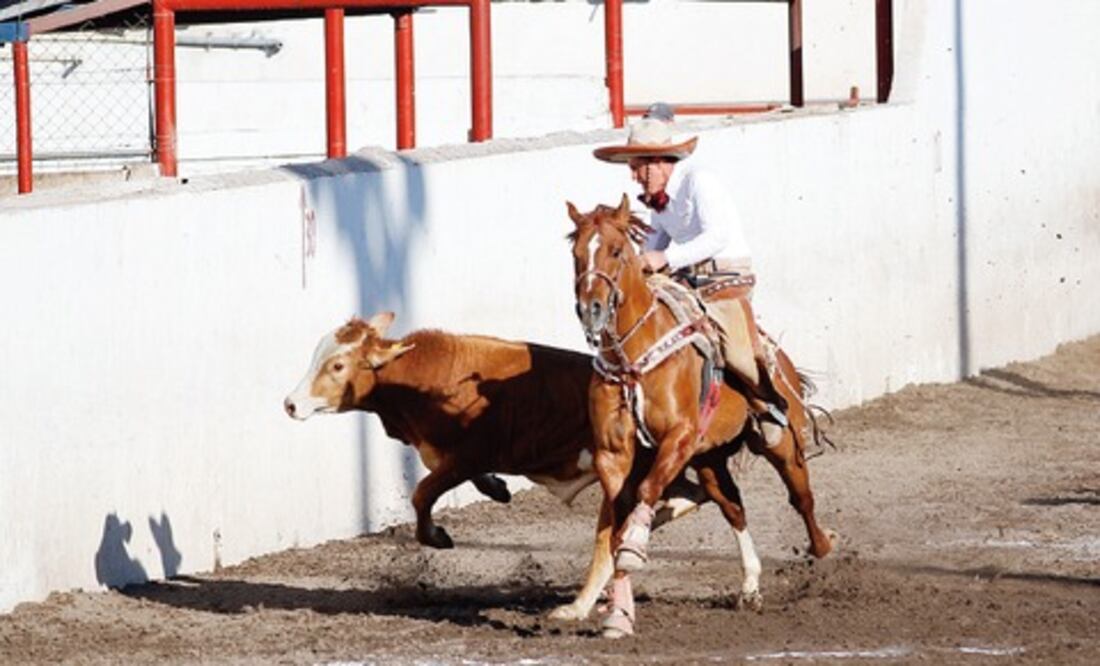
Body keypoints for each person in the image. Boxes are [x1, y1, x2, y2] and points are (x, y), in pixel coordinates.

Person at [593, 110, 789, 433]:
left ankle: (766, 402)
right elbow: (653, 245)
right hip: (688, 278)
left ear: (658, 162)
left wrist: (664, 258)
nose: (634, 177)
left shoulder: (700, 182)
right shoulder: (658, 201)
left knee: (730, 344)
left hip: (726, 276)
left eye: (637, 168)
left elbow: (717, 237)